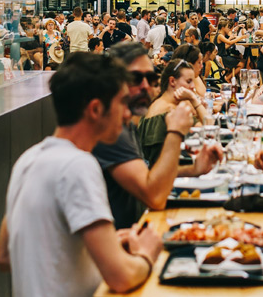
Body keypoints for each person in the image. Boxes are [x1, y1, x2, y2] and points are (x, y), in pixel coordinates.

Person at [0, 53, 162, 295]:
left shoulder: (27, 160)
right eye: (121, 103)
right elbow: (122, 276)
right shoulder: (78, 165)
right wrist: (146, 254)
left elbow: (5, 255)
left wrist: (108, 245)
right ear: (95, 109)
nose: (127, 114)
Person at [93, 43, 222, 229]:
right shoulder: (111, 133)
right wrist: (175, 131)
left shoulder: (125, 125)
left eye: (150, 77)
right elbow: (154, 196)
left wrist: (194, 169)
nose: (146, 86)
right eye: (136, 78)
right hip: (131, 233)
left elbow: (149, 176)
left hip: (143, 223)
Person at [139, 59, 209, 165]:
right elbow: (209, 132)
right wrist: (194, 100)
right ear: (172, 81)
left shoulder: (159, 103)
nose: (193, 86)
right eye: (188, 81)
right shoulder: (170, 110)